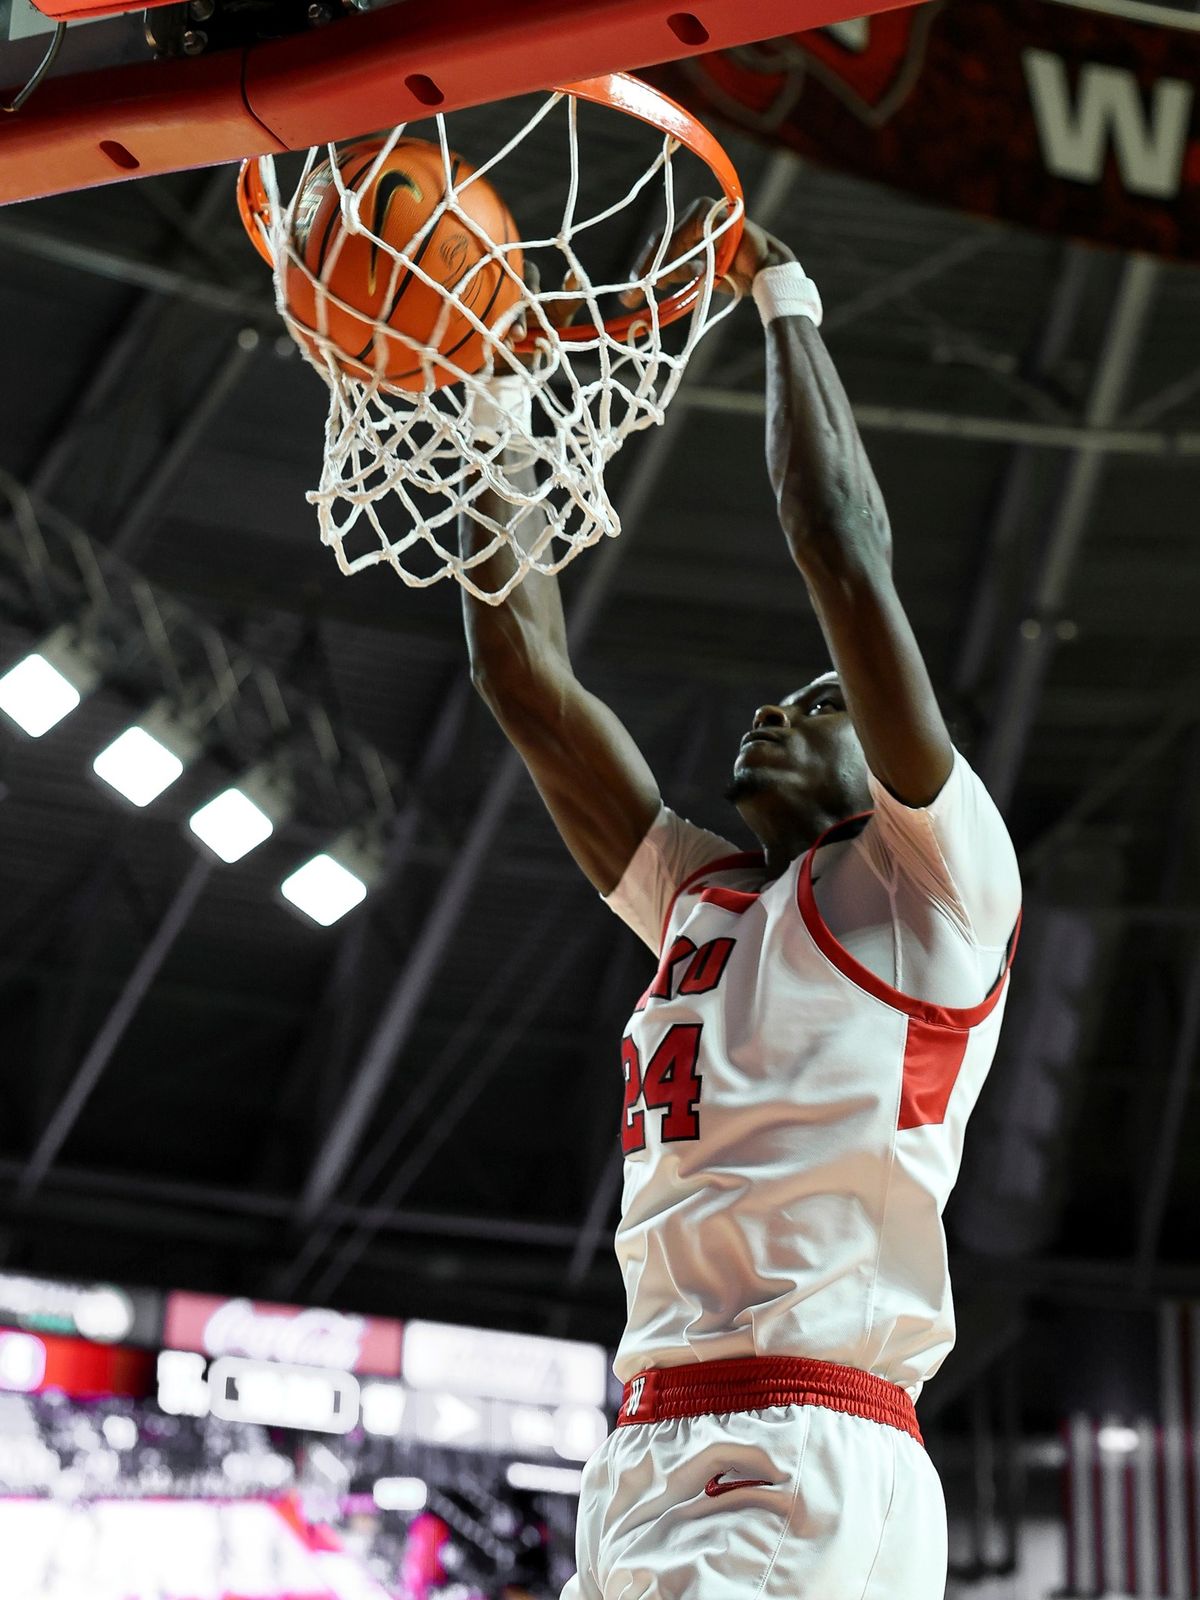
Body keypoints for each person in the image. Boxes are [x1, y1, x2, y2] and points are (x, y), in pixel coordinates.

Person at [457, 208, 1021, 1600]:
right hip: (649, 1439)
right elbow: (521, 674)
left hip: (809, 1438)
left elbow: (841, 546)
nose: (780, 704)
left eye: (820, 702)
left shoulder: (941, 889)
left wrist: (783, 298)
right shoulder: (703, 900)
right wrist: (486, 393)